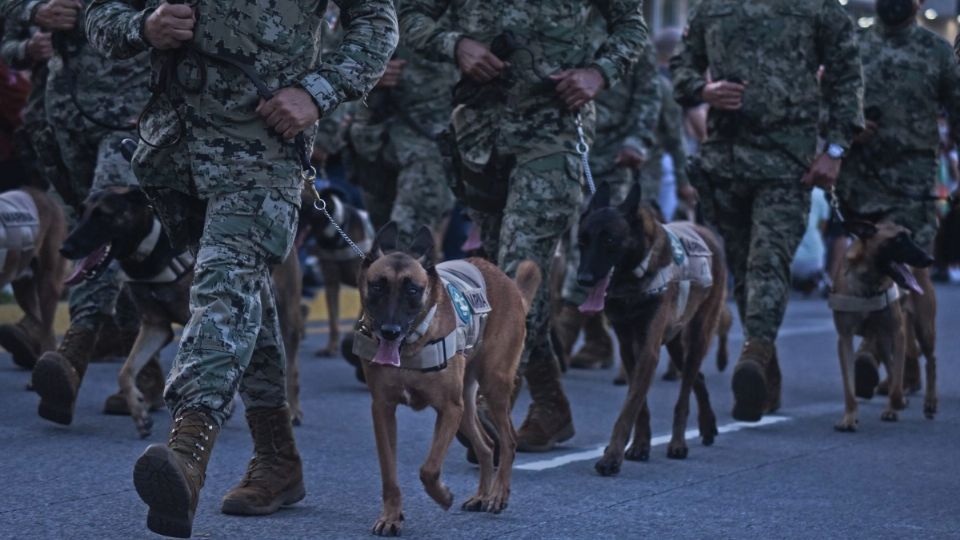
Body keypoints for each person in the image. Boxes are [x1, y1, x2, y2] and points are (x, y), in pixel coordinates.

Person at [84, 0, 397, 537]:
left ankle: (188, 451)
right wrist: (144, 26)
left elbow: (376, 20)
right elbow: (100, 12)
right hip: (175, 149)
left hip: (263, 144)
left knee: (223, 284)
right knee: (243, 291)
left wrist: (317, 93)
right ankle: (277, 458)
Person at [399, 0, 648, 452]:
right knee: (501, 278)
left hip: (553, 133)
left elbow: (631, 25)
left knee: (518, 272)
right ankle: (552, 405)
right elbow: (409, 14)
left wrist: (599, 72)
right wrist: (456, 45)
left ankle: (490, 415)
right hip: (479, 140)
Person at [671, 0, 864, 422]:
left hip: (788, 165)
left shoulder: (817, 8)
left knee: (767, 261)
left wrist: (834, 150)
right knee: (742, 266)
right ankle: (763, 370)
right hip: (725, 164)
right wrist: (704, 91)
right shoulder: (712, 8)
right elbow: (682, 70)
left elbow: (847, 76)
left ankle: (754, 352)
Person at [0, 0, 157, 424]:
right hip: (61, 125)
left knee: (103, 223)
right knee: (91, 231)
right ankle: (147, 377)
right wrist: (37, 13)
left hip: (128, 117)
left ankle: (73, 356)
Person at [837, 0, 960, 390]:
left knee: (912, 270)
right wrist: (849, 129)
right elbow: (830, 105)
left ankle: (893, 353)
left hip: (913, 181)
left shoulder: (937, 51)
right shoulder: (853, 46)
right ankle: (888, 349)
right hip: (861, 177)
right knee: (868, 268)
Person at [554, 13, 659, 374]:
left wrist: (636, 142)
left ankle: (565, 335)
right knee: (572, 244)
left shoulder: (626, 33)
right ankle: (598, 340)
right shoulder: (558, 23)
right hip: (563, 149)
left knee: (604, 243)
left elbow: (648, 95)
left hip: (614, 157)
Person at [345, 17, 456, 249]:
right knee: (384, 238)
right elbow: (332, 50)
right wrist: (365, 72)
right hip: (372, 139)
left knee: (405, 243)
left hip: (429, 138)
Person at [790, 187, 829, 296]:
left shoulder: (783, 191)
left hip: (788, 256)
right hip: (814, 259)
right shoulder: (820, 194)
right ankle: (818, 282)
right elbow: (822, 228)